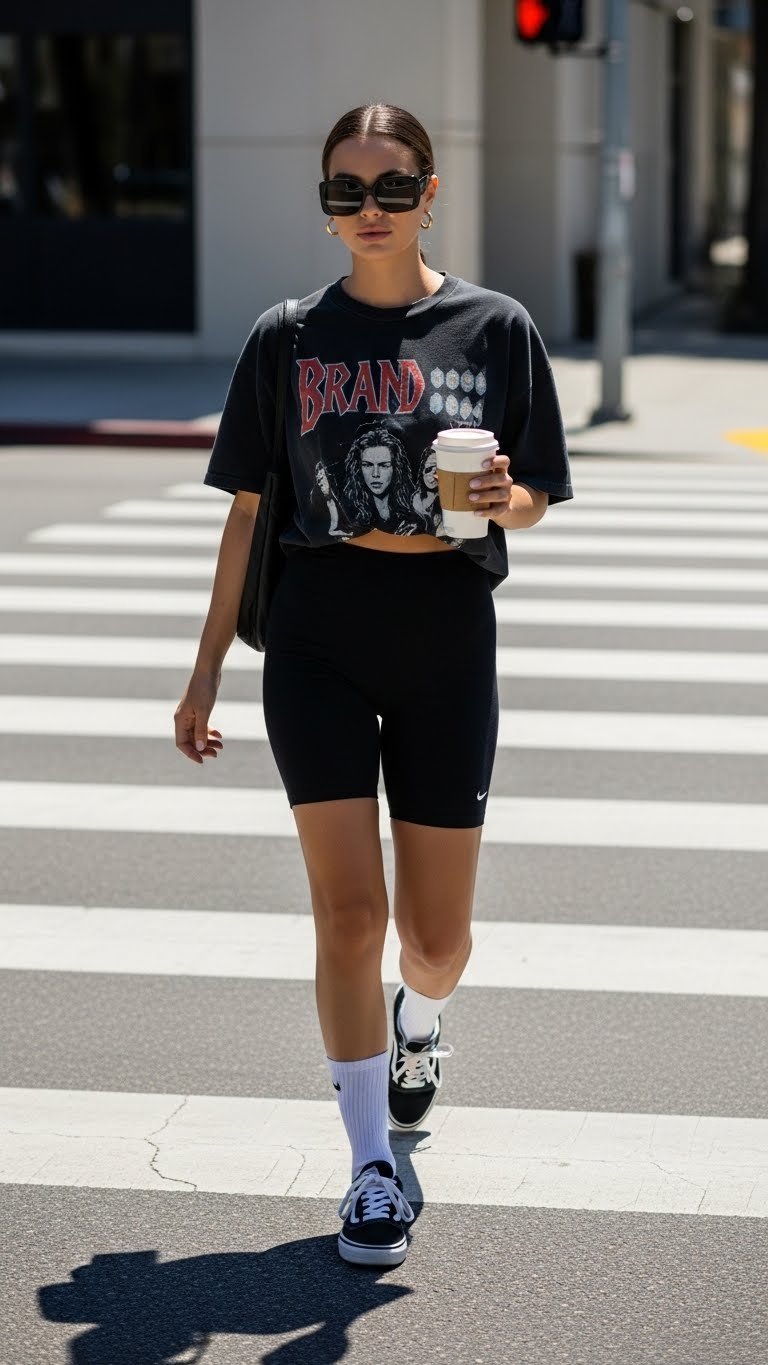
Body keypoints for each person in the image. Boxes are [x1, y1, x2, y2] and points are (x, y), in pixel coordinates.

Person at [174, 102, 572, 1269]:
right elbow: (250, 513)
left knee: (434, 941)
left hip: (447, 631)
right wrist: (203, 672)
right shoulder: (287, 338)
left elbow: (540, 489)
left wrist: (510, 503)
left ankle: (423, 1020)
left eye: (391, 188)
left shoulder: (496, 328)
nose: (368, 211)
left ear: (430, 192)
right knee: (349, 914)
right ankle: (368, 1169)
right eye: (344, 191)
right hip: (318, 637)